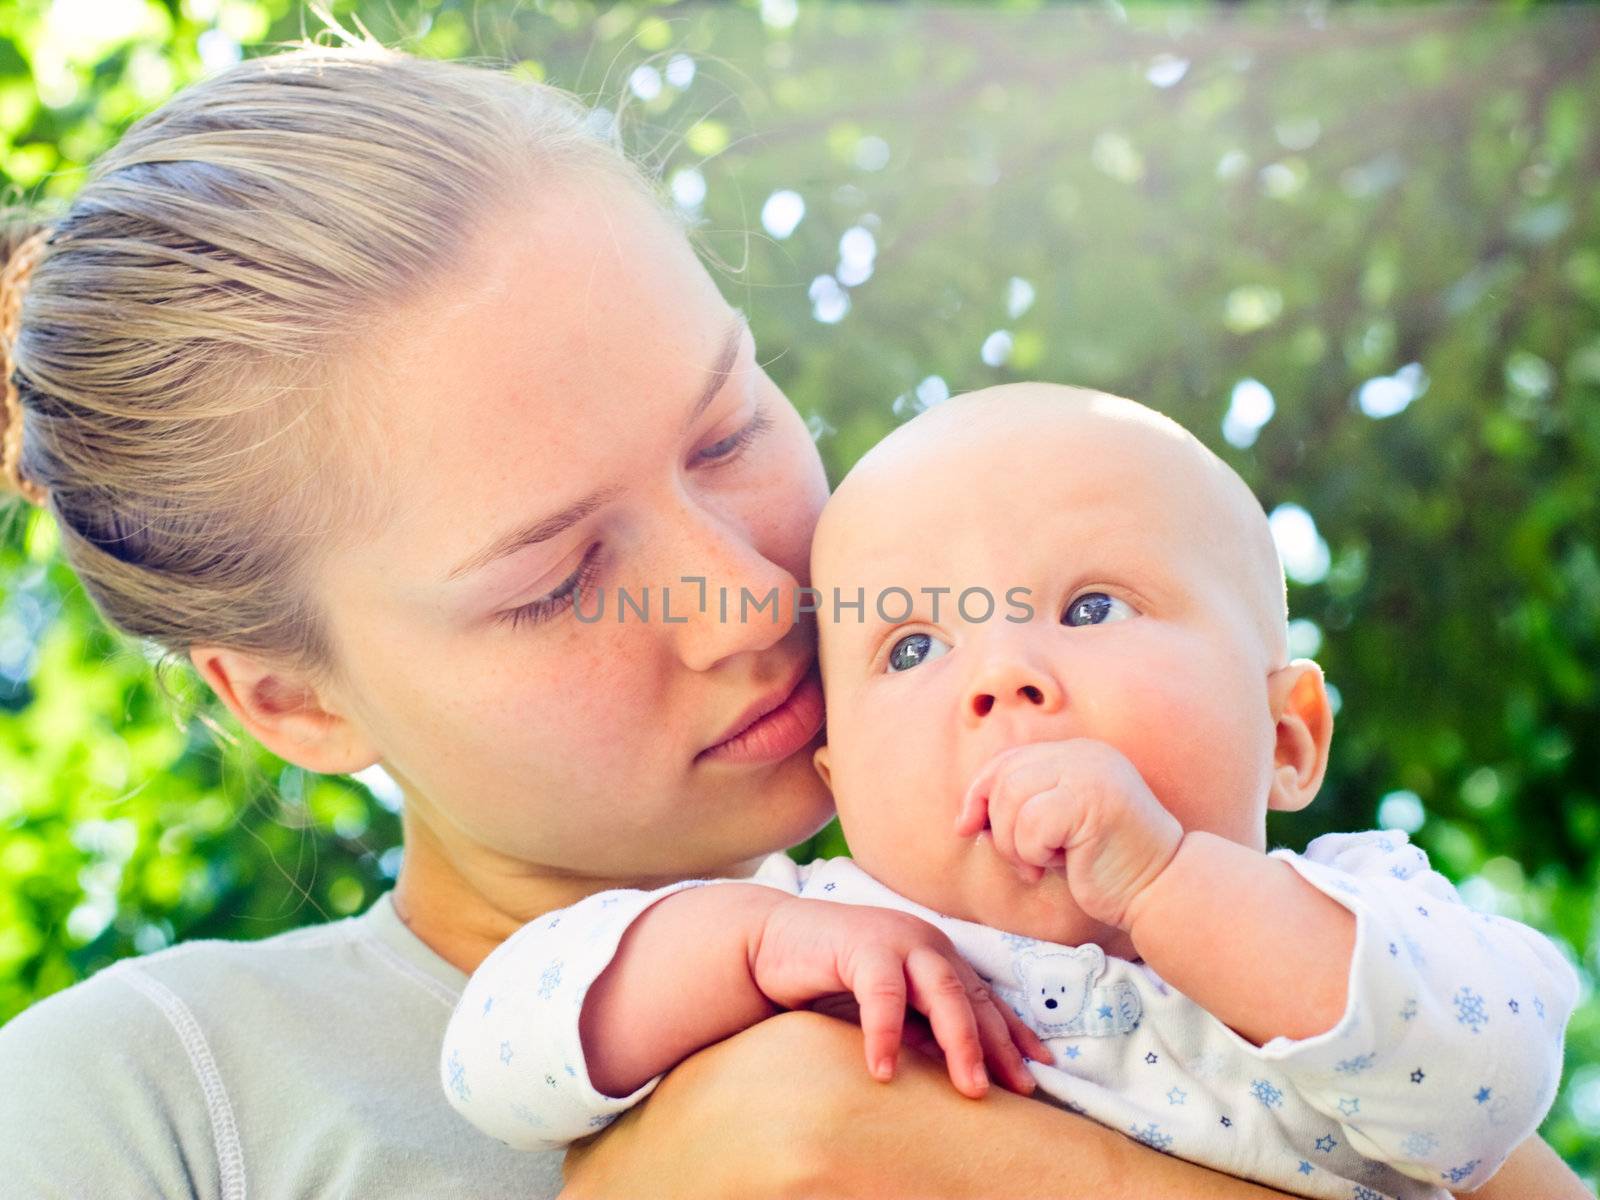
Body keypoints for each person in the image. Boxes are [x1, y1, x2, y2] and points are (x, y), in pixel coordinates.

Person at [0, 34, 1583, 1200]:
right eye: (558, 578)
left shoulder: (1178, 936)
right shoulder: (144, 1105)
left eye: (730, 430)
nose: (750, 595)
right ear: (293, 703)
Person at [443, 386, 1579, 1200]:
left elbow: (1483, 1101)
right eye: (908, 648)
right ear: (840, 785)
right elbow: (492, 1066)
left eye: (1088, 609)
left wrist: (1168, 882)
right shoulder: (829, 921)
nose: (999, 677)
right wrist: (747, 943)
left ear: (1287, 735)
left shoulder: (1365, 918)